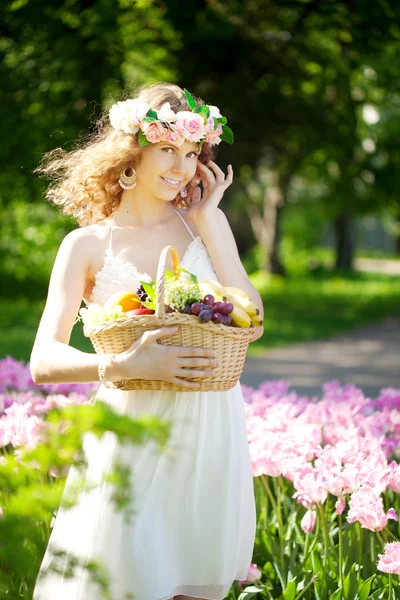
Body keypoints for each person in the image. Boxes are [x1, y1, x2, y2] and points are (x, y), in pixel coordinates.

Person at [30, 82, 264, 600]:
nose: (180, 168)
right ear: (132, 151)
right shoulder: (86, 245)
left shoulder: (207, 225)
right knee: (129, 581)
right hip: (133, 427)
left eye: (190, 153)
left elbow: (252, 314)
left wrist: (209, 219)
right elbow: (42, 359)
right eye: (167, 150)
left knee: (192, 585)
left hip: (210, 425)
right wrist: (120, 365)